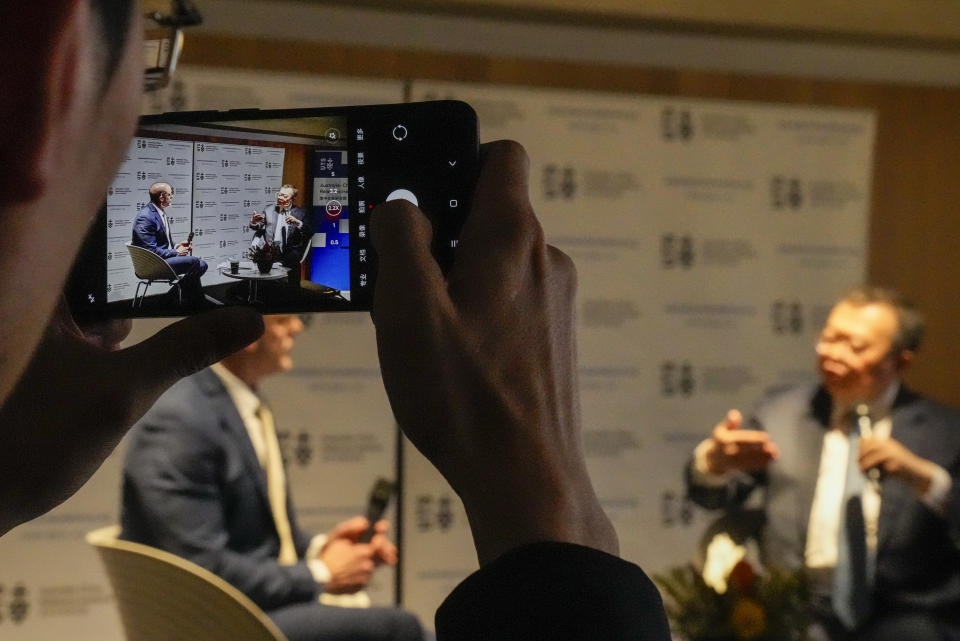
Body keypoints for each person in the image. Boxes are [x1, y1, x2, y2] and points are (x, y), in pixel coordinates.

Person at [0, 2, 669, 640]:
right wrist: (553, 512)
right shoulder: (188, 412)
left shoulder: (239, 402)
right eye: (156, 37)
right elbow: (204, 565)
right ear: (51, 59)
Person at [121, 314, 429, 641]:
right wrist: (322, 572)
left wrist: (324, 549)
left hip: (248, 607)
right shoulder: (181, 420)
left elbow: (265, 542)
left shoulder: (237, 401)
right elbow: (200, 570)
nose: (297, 327)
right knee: (402, 629)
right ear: (247, 333)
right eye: (284, 319)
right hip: (211, 623)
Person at [687, 287, 960, 641]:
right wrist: (713, 464)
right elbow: (714, 498)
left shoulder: (944, 431)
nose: (834, 355)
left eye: (856, 347)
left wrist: (926, 479)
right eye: (829, 339)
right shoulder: (781, 415)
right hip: (795, 611)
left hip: (906, 615)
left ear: (900, 361)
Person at [132, 181, 209, 304]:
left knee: (202, 264)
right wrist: (176, 252)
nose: (172, 196)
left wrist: (176, 246)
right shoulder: (146, 217)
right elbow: (150, 251)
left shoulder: (157, 212)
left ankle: (174, 298)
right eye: (170, 193)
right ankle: (188, 300)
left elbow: (163, 242)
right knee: (195, 262)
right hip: (152, 264)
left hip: (160, 259)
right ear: (162, 197)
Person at [250, 184, 312, 270]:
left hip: (290, 252)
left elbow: (310, 232)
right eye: (280, 195)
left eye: (285, 196)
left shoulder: (300, 213)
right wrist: (254, 222)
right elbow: (259, 226)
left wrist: (298, 223)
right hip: (269, 251)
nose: (281, 198)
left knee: (293, 263)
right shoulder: (269, 209)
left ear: (292, 198)